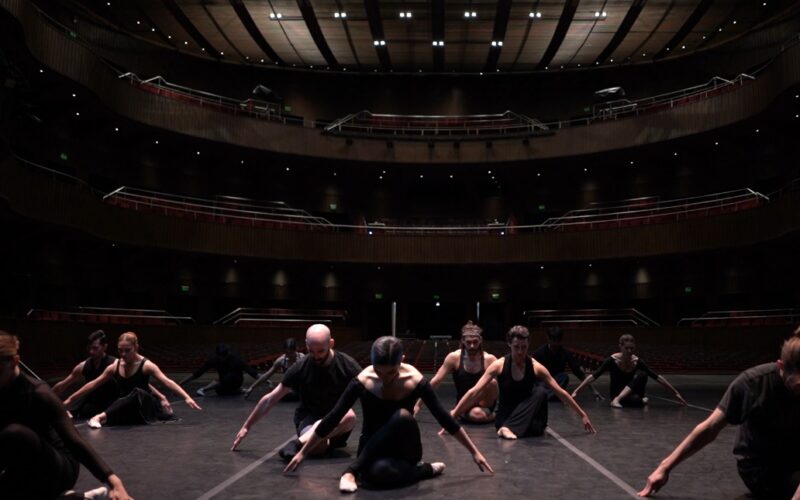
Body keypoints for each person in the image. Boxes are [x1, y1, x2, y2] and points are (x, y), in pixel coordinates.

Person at [284, 336, 494, 493]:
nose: (384, 378)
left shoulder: (415, 380)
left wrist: (474, 451)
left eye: (391, 372)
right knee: (376, 476)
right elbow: (333, 417)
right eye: (379, 371)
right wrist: (303, 452)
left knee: (402, 416)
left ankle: (350, 471)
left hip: (406, 447)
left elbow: (445, 418)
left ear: (401, 360)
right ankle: (425, 470)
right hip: (371, 448)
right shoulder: (363, 380)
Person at [639, 327, 800, 499]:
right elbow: (710, 428)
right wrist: (664, 467)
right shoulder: (753, 383)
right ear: (781, 366)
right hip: (763, 467)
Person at [0, 331, 132, 499]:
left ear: (14, 362)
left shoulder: (39, 393)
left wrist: (114, 482)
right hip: (26, 465)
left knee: (14, 433)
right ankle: (75, 497)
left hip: (60, 466)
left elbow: (75, 441)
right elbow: (68, 381)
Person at [231, 324, 360, 459]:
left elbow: (370, 394)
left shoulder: (347, 365)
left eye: (321, 351)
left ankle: (298, 443)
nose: (316, 356)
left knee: (350, 416)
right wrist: (247, 426)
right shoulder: (300, 367)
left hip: (336, 422)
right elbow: (271, 399)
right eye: (311, 351)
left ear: (331, 343)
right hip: (309, 417)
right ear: (306, 344)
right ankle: (317, 441)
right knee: (317, 447)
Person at [452, 325, 596, 440]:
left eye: (524, 347)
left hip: (530, 416)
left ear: (528, 345)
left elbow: (560, 392)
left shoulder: (535, 366)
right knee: (539, 392)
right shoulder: (499, 364)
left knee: (540, 392)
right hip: (507, 415)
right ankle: (507, 428)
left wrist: (582, 414)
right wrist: (452, 417)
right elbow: (474, 391)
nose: (520, 352)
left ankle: (510, 428)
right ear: (509, 344)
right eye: (516, 347)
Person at [63, 332, 201, 428]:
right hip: (126, 406)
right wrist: (69, 400)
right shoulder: (115, 366)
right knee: (110, 390)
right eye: (120, 351)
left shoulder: (146, 365)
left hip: (144, 405)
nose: (123, 354)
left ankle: (98, 417)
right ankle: (102, 415)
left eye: (127, 350)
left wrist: (187, 397)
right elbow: (93, 384)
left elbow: (167, 381)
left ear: (135, 347)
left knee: (137, 392)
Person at [414, 321, 498, 423]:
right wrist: (418, 405)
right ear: (463, 341)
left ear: (480, 340)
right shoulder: (454, 358)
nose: (472, 346)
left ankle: (495, 413)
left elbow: (503, 383)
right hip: (465, 403)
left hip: (486, 402)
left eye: (475, 342)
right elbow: (435, 381)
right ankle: (492, 416)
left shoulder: (490, 359)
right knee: (477, 415)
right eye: (468, 342)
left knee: (492, 382)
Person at [571, 334, 687, 408]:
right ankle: (619, 400)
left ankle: (629, 400)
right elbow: (594, 376)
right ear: (620, 347)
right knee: (638, 402)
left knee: (643, 375)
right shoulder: (612, 360)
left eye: (632, 348)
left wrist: (675, 392)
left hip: (631, 394)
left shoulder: (637, 361)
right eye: (627, 348)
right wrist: (577, 390)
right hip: (616, 393)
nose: (630, 351)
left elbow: (656, 377)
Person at [51, 330, 119, 418]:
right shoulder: (83, 366)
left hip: (111, 403)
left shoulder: (115, 363)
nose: (91, 351)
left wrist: (68, 401)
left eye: (95, 348)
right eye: (89, 348)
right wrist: (47, 396)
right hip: (93, 404)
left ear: (104, 347)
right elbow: (63, 384)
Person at [532, 327, 602, 400]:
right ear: (548, 339)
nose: (556, 344)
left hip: (557, 381)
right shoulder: (539, 353)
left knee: (564, 377)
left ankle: (547, 396)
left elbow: (579, 373)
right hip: (544, 381)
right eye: (553, 341)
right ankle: (550, 395)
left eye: (558, 341)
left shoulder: (565, 353)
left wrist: (594, 390)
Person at [178, 343, 258, 397]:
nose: (222, 358)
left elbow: (252, 372)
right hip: (221, 386)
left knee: (230, 377)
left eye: (224, 356)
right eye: (220, 356)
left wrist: (267, 381)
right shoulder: (214, 360)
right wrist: (179, 386)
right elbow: (197, 374)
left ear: (228, 354)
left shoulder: (236, 359)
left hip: (236, 380)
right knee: (221, 390)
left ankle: (204, 389)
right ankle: (237, 390)